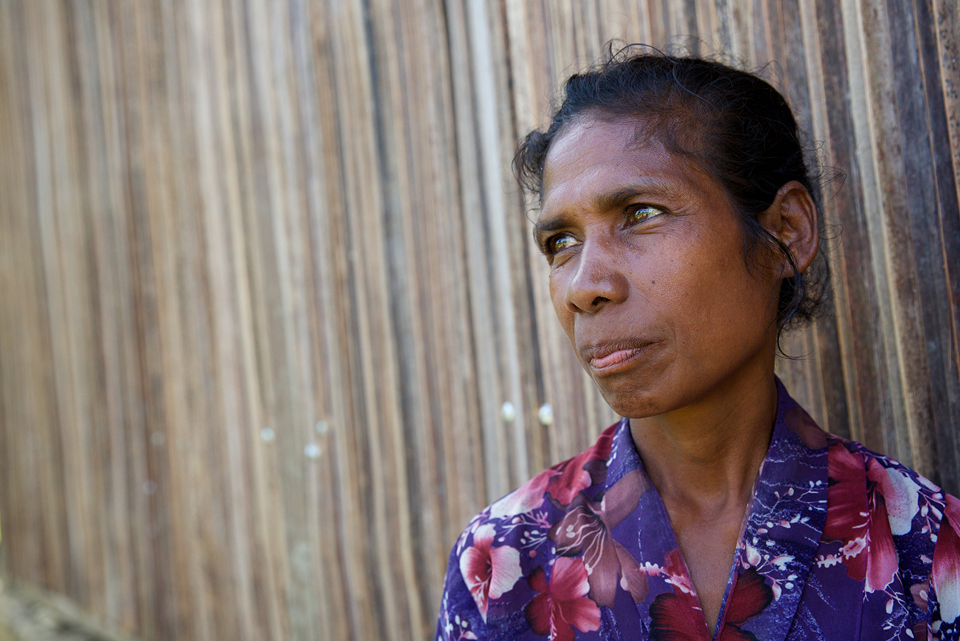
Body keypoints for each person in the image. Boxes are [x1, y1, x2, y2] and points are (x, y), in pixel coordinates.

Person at [435, 49, 960, 640]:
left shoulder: (923, 546)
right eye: (561, 242)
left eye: (642, 213)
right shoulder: (503, 566)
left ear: (785, 230)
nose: (584, 285)